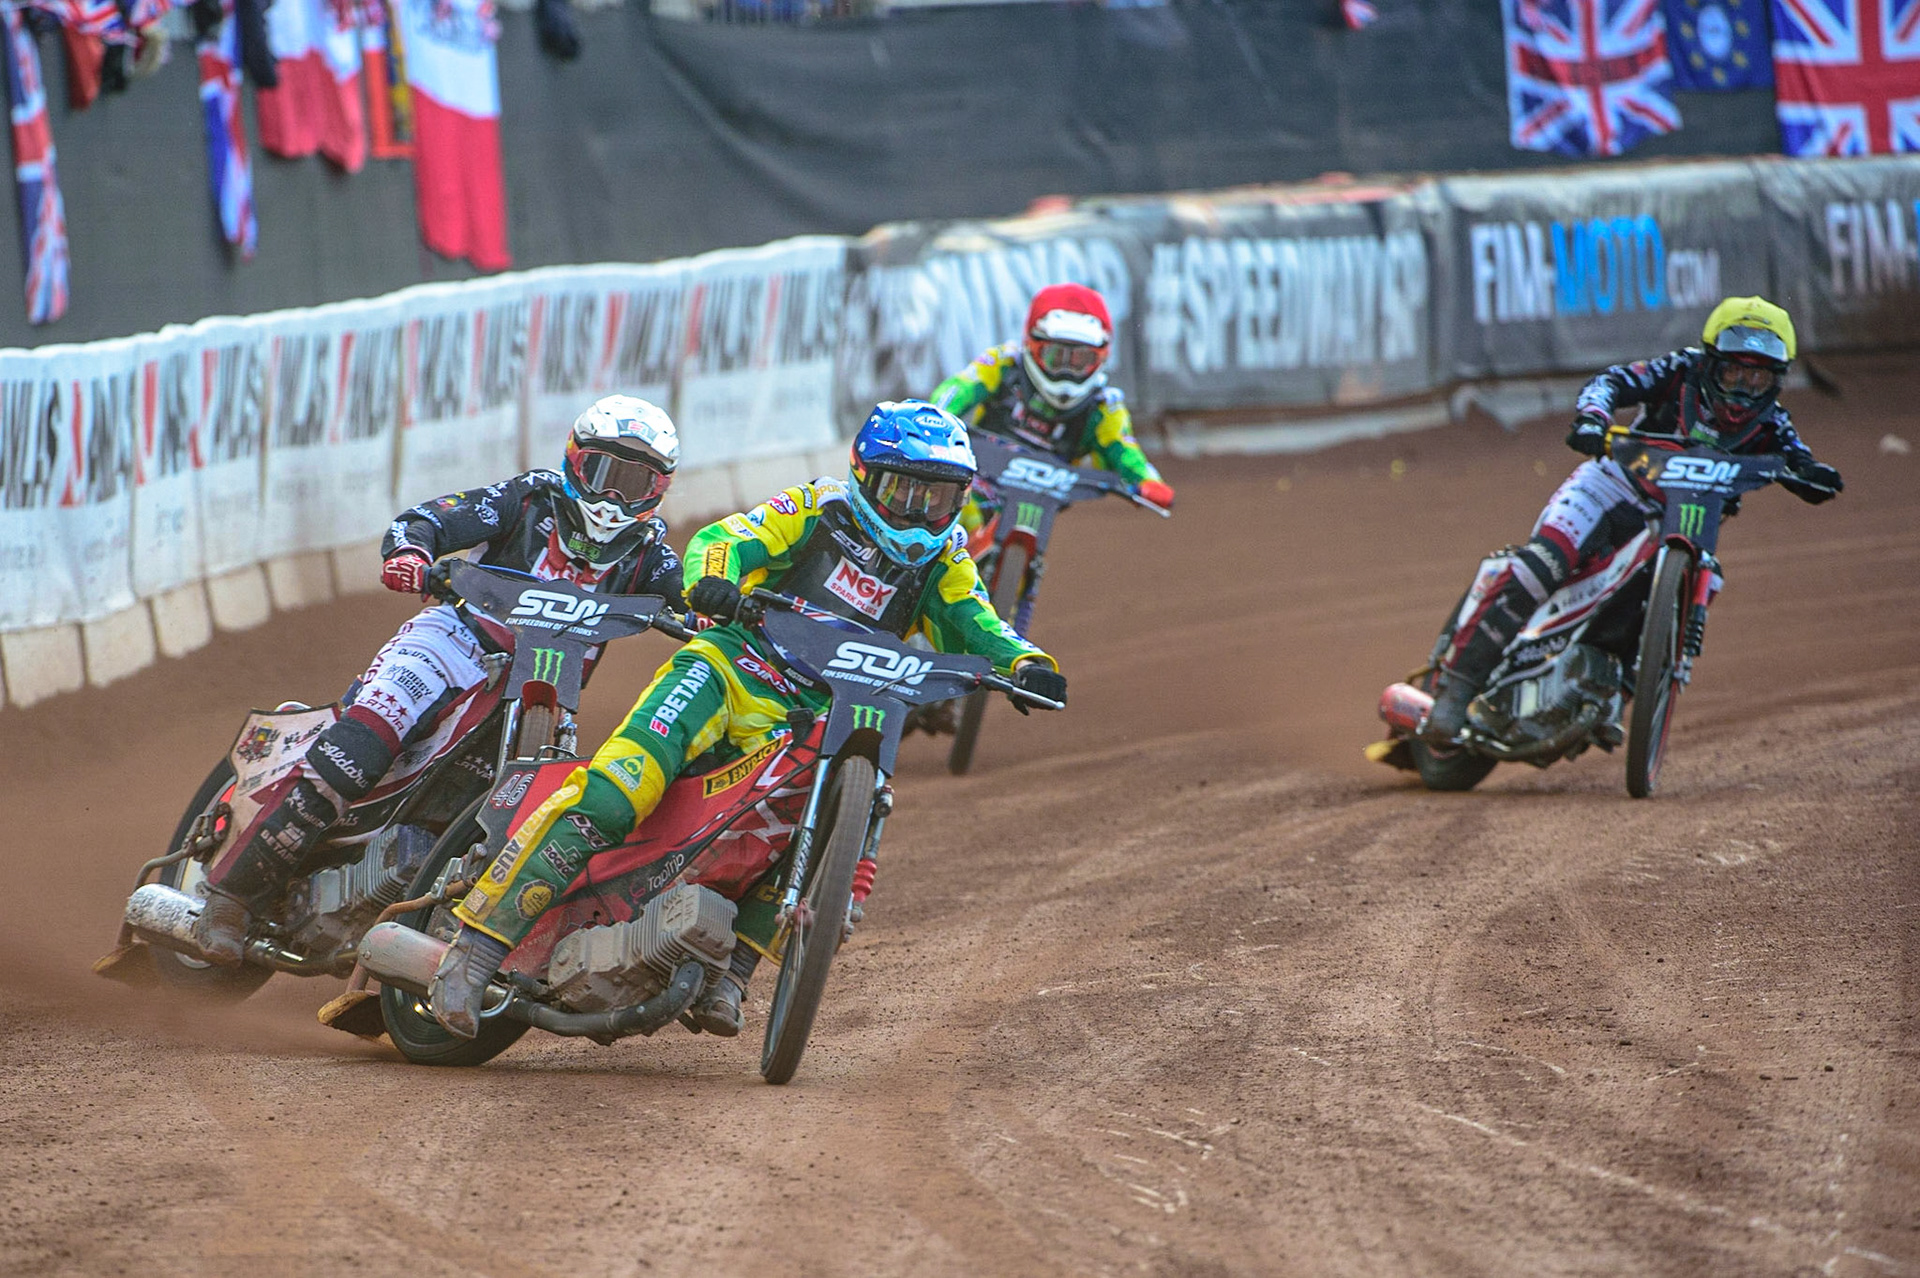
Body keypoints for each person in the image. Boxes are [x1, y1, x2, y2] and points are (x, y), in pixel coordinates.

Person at [427, 400, 1068, 1039]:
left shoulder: (946, 559)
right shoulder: (817, 507)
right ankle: (476, 952)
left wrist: (1026, 663)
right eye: (903, 489)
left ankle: (731, 975)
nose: (915, 511)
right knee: (620, 790)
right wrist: (713, 581)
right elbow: (724, 539)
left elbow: (978, 624)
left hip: (817, 714)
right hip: (733, 671)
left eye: (935, 497)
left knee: (796, 834)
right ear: (865, 476)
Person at [190, 395, 686, 964]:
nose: (614, 496)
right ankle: (231, 897)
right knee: (366, 740)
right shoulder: (528, 498)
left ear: (659, 490)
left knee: (531, 815)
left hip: (543, 693)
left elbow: (695, 600)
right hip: (453, 643)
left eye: (634, 482)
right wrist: (411, 552)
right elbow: (428, 519)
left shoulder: (650, 556)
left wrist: (719, 613)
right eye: (604, 472)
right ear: (576, 462)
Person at [1419, 296, 1844, 743]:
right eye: (1733, 373)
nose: (1742, 391)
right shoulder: (1680, 370)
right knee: (1543, 562)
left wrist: (1812, 476)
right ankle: (1455, 690)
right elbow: (1611, 381)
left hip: (1683, 522)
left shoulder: (1773, 423)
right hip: (1611, 488)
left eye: (1757, 378)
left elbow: (1800, 459)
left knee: (1708, 578)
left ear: (1777, 382)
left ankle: (1611, 690)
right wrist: (1592, 419)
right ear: (1710, 362)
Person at [932, 282, 1175, 521]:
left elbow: (1125, 450)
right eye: (1056, 357)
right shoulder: (1004, 363)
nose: (1067, 371)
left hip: (1038, 500)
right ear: (1032, 346)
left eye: (1081, 360)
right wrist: (934, 420)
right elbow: (957, 390)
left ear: (1100, 358)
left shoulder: (1104, 407)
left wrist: (1148, 481)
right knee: (965, 519)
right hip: (975, 479)